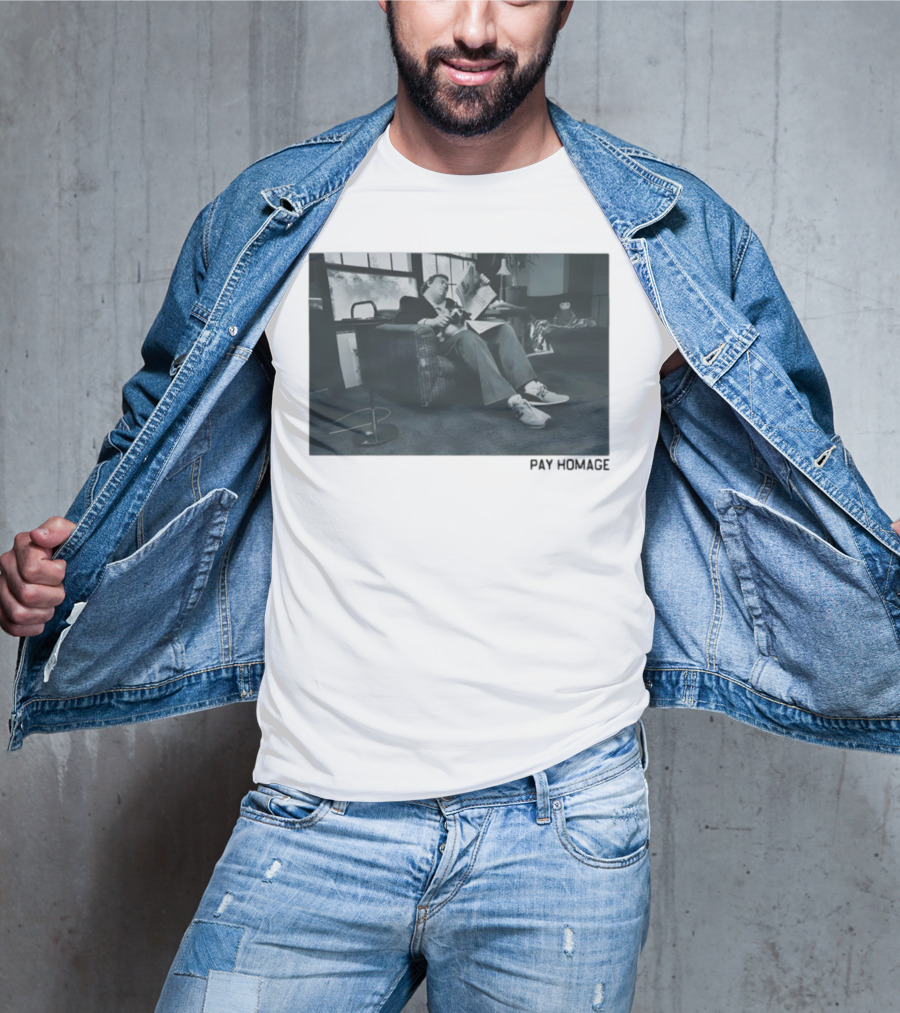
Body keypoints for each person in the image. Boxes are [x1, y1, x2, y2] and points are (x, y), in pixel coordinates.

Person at [2, 3, 899, 1011]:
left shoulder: (675, 231)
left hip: (564, 830)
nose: (472, 25)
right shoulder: (273, 218)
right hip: (315, 811)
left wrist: (870, 563)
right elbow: (155, 434)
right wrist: (65, 569)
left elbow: (792, 465)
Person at [394, 271, 569, 427]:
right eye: (441, 282)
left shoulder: (451, 303)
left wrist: (481, 291)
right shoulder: (412, 302)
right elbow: (401, 320)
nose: (446, 286)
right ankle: (514, 402)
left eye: (448, 284)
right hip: (443, 344)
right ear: (429, 283)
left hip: (467, 335)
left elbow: (473, 316)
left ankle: (531, 387)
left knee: (503, 328)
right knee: (466, 336)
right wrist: (430, 321)